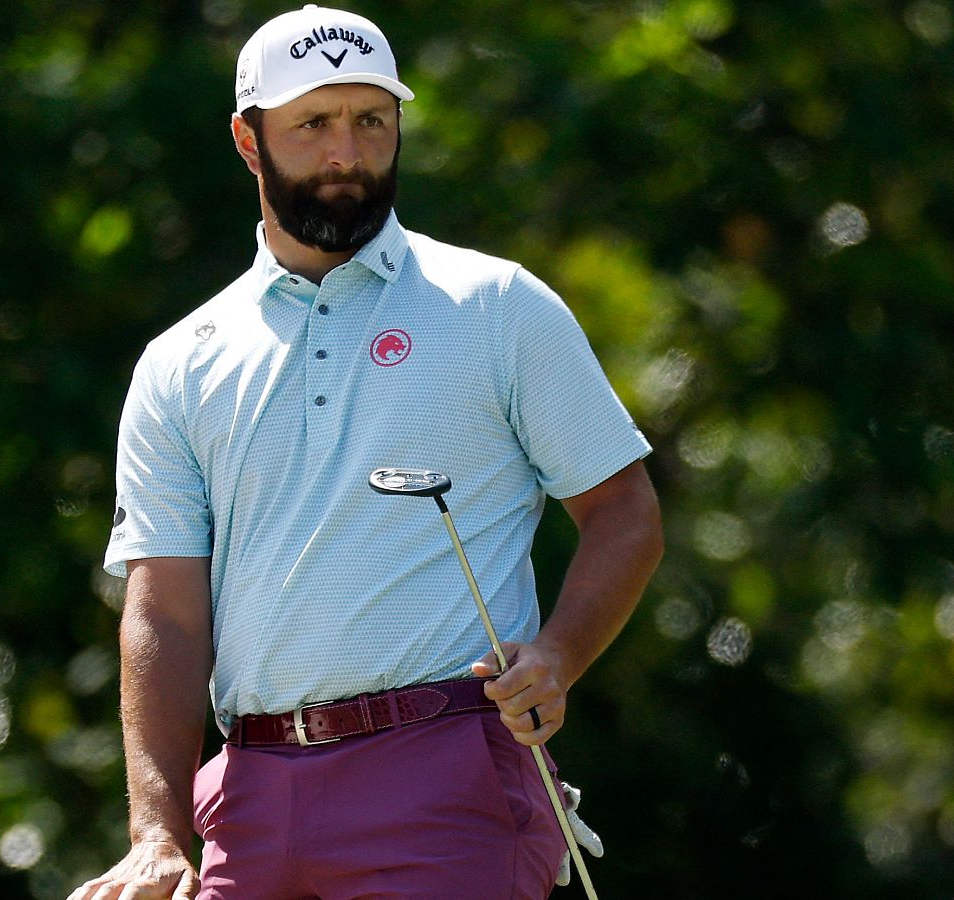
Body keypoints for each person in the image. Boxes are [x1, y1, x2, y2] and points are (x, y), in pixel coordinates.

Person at [69, 6, 663, 899]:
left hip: (445, 774)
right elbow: (166, 614)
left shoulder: (497, 306)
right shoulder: (181, 362)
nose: (347, 151)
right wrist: (156, 834)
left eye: (371, 120)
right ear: (248, 140)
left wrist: (559, 654)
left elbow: (624, 513)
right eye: (312, 123)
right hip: (250, 796)